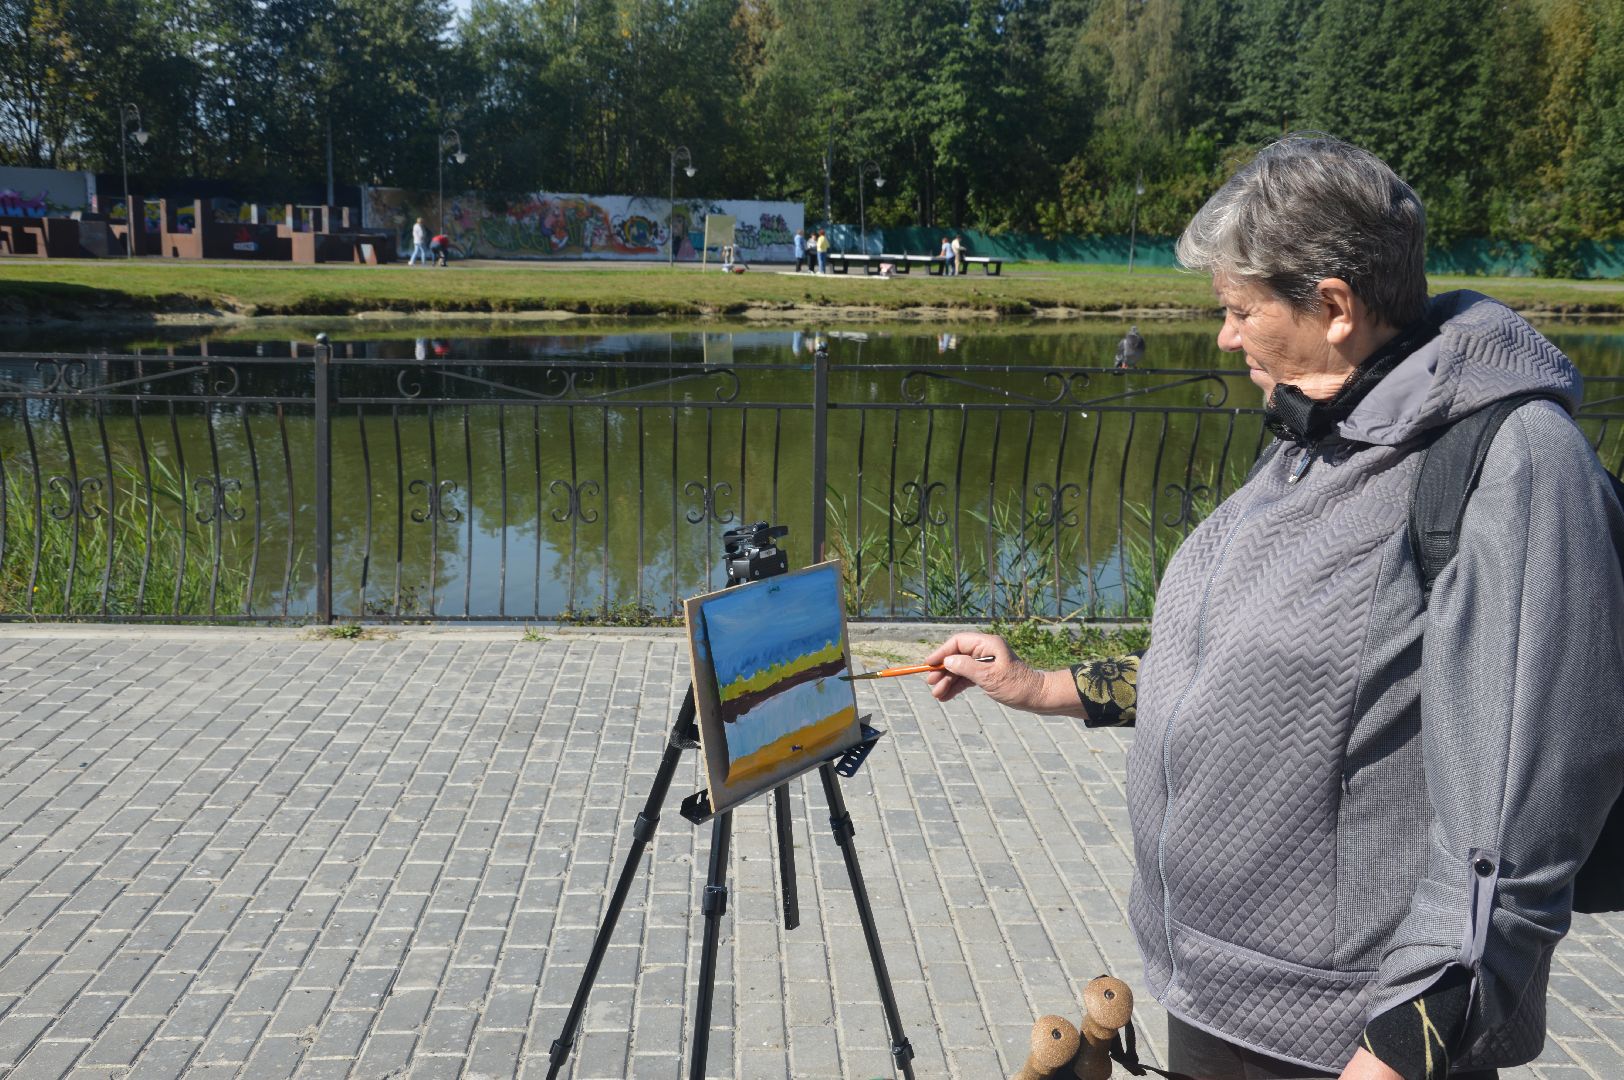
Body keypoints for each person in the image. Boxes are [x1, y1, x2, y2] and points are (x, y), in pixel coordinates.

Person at [925, 135, 1624, 1080]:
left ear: (1333, 306)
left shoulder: (1514, 465)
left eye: (1238, 310)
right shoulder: (1317, 425)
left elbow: (1518, 825)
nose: (1223, 336)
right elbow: (1276, 668)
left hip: (1345, 1041)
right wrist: (1048, 685)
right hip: (1213, 993)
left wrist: (1397, 1051)